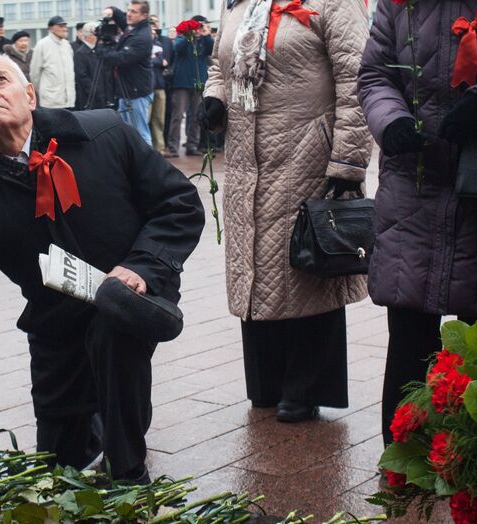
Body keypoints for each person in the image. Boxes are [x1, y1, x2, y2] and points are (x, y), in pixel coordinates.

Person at [0, 53, 204, 483]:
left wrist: (141, 266)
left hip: (134, 291)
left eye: (0, 81)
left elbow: (178, 204)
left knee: (112, 323)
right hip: (55, 317)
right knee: (58, 463)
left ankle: (128, 470)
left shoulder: (104, 132)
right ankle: (93, 429)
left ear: (28, 95)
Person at [358, 0, 477, 447]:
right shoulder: (398, 5)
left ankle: (476, 460)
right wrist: (391, 120)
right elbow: (375, 75)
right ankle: (404, 460)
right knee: (409, 326)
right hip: (415, 184)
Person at [203, 0, 372, 421]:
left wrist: (348, 160)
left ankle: (305, 387)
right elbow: (218, 64)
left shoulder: (333, 3)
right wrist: (215, 97)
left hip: (310, 153)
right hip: (246, 158)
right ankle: (267, 383)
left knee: (306, 268)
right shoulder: (240, 4)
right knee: (257, 268)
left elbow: (357, 78)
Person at [97, 1, 155, 146]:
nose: (128, 14)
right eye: (128, 10)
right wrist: (111, 10)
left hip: (136, 93)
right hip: (127, 90)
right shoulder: (134, 27)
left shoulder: (141, 37)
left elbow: (120, 59)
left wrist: (102, 49)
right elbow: (122, 18)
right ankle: (133, 163)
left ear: (144, 15)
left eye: (133, 12)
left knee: (140, 133)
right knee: (127, 132)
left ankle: (148, 166)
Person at [166, 15, 213, 158]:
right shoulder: (183, 38)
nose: (199, 29)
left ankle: (193, 145)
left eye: (201, 26)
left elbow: (211, 49)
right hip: (181, 82)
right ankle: (173, 146)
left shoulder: (204, 41)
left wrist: (206, 35)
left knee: (196, 116)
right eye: (197, 26)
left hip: (198, 83)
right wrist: (189, 35)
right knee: (178, 115)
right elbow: (177, 48)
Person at [30, 16, 76, 109]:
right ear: (51, 28)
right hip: (50, 100)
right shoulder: (42, 44)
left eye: (64, 26)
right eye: (60, 26)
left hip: (69, 100)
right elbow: (34, 74)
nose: (64, 29)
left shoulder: (67, 45)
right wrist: (44, 92)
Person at [149, 16, 172, 155]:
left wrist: (154, 60)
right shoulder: (140, 43)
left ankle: (159, 146)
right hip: (145, 88)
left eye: (153, 29)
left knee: (159, 118)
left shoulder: (158, 44)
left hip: (159, 85)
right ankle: (147, 146)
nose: (152, 31)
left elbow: (162, 61)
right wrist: (156, 60)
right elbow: (156, 61)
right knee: (145, 119)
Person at [74, 22, 107, 110]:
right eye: (96, 34)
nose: (98, 37)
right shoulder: (81, 53)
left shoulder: (97, 50)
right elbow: (81, 76)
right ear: (88, 36)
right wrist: (95, 90)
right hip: (90, 97)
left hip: (101, 95)